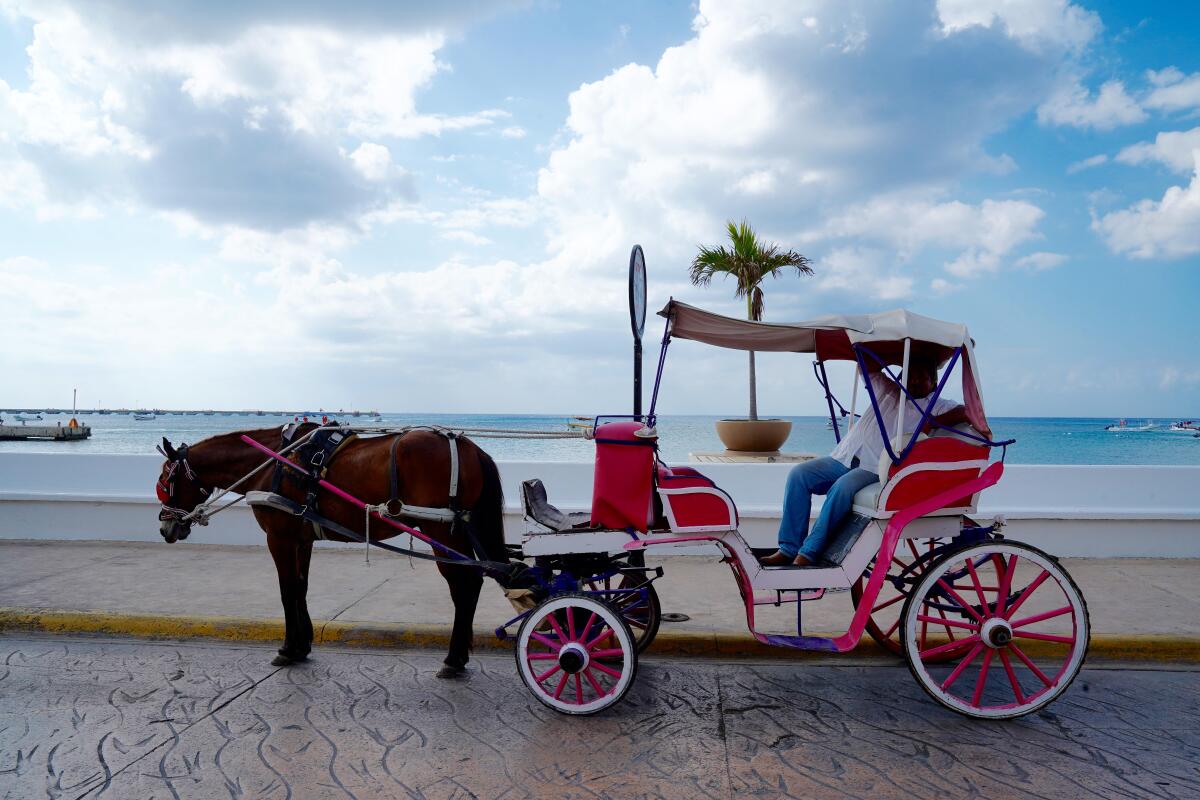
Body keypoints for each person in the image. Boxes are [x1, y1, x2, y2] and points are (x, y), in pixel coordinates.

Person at [760, 357, 989, 567]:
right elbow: (866, 366)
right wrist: (884, 351)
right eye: (911, 375)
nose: (916, 381)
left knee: (841, 488)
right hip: (844, 456)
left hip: (873, 467)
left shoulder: (938, 404)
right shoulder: (888, 390)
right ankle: (788, 548)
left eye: (923, 377)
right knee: (798, 475)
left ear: (934, 382)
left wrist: (932, 421)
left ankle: (808, 553)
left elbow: (968, 412)